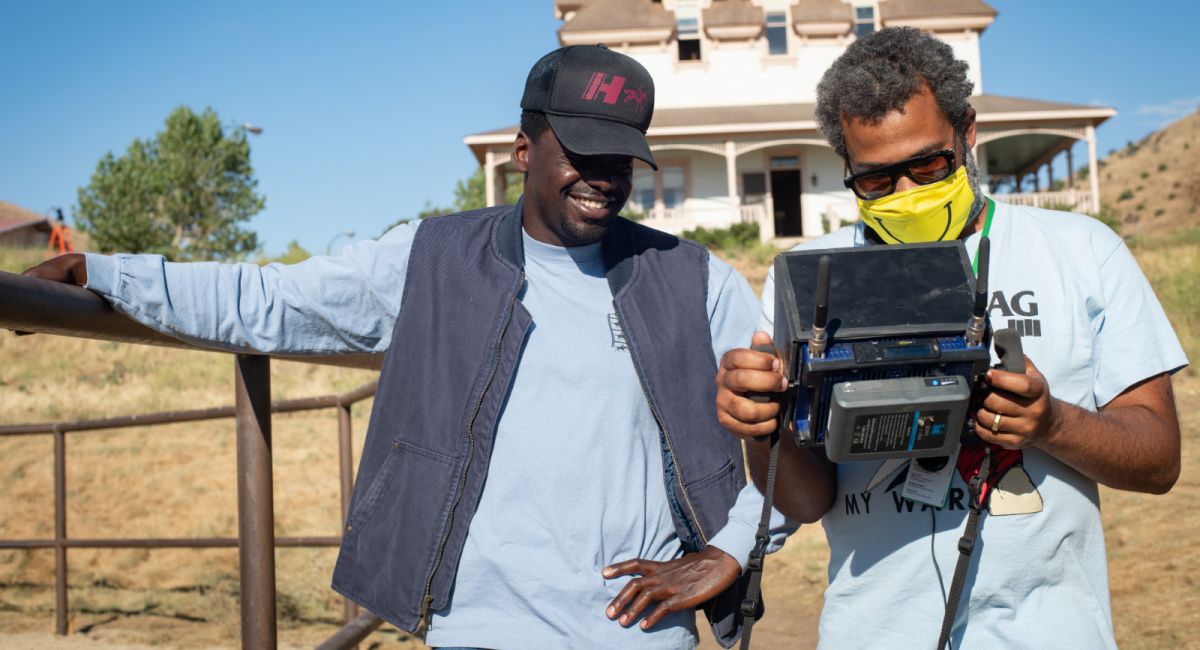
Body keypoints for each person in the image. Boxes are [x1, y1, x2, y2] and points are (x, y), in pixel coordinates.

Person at [26, 44, 785, 649]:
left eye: (620, 158)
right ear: (524, 149)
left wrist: (728, 550)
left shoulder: (693, 279)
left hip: (633, 637)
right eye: (582, 152)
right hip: (473, 631)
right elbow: (269, 301)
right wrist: (106, 275)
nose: (604, 179)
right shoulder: (428, 259)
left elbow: (786, 431)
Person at [715, 27, 1186, 649]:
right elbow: (805, 503)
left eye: (927, 165)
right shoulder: (811, 276)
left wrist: (1052, 425)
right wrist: (764, 427)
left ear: (967, 131)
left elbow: (1159, 460)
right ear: (847, 168)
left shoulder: (1083, 252)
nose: (907, 194)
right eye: (878, 181)